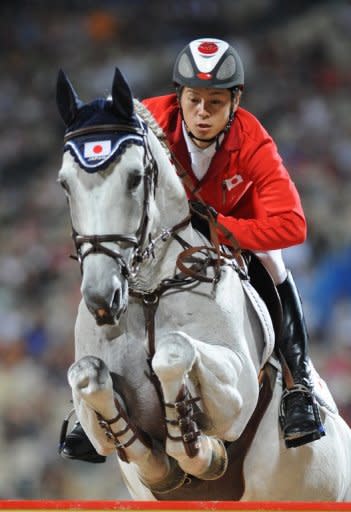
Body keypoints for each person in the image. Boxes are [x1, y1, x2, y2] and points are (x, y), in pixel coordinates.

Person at [61, 37, 325, 462]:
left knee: (276, 267)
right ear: (177, 95)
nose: (203, 112)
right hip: (165, 236)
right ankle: (87, 406)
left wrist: (221, 228)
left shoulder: (253, 140)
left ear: (235, 101)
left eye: (216, 102)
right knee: (109, 266)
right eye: (194, 100)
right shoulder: (147, 119)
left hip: (231, 230)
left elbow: (293, 225)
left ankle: (298, 387)